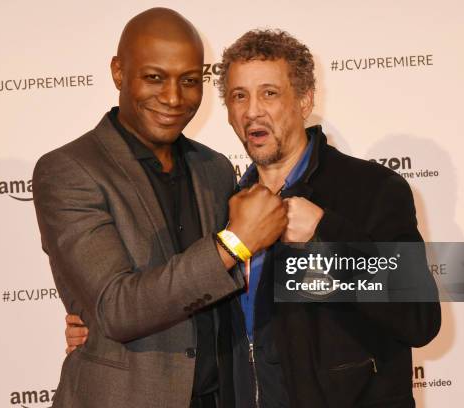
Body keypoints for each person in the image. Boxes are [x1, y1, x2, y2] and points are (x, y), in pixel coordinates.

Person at [64, 29, 441, 408]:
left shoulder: (369, 189)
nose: (252, 110)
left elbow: (421, 319)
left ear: (305, 100)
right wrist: (98, 331)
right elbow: (174, 294)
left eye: (269, 93)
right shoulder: (221, 201)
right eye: (239, 96)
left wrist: (324, 236)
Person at [33, 8, 287, 408]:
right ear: (119, 71)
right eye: (154, 77)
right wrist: (234, 244)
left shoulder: (215, 167)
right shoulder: (69, 169)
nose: (173, 98)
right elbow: (116, 308)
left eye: (189, 81)